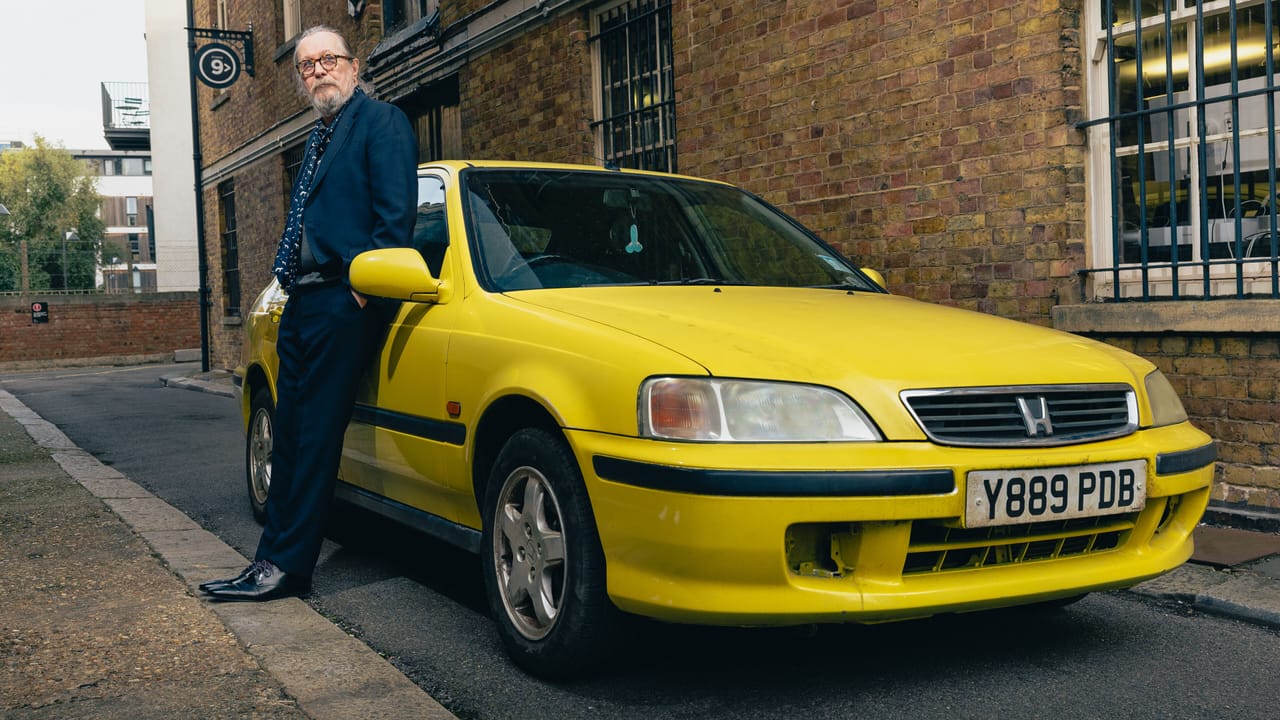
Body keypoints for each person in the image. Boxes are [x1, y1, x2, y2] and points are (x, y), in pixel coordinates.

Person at [200, 25, 418, 602]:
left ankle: (289, 568)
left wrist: (360, 297)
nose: (318, 71)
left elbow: (395, 222)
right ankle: (267, 561)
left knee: (316, 439)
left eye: (328, 60)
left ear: (352, 66)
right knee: (290, 437)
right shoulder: (320, 135)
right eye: (306, 65)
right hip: (302, 301)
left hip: (344, 301)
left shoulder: (382, 123)